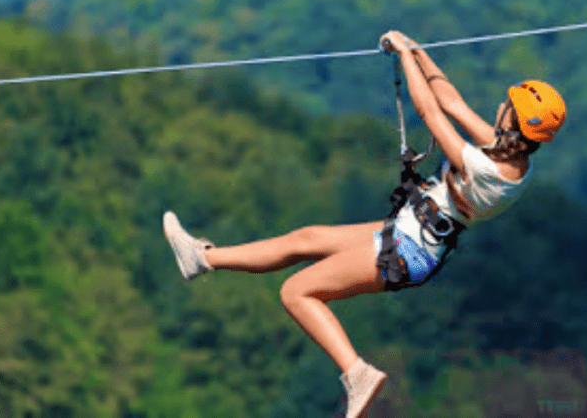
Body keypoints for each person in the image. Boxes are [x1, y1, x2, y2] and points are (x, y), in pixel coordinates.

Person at [161, 30, 566, 418]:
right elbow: (453, 104)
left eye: (508, 104)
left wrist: (405, 57)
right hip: (410, 233)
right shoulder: (512, 157)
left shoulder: (489, 169)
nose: (501, 104)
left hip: (409, 249)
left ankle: (356, 374)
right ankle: (202, 258)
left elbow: (431, 112)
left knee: (296, 291)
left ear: (514, 119)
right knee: (307, 238)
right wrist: (418, 51)